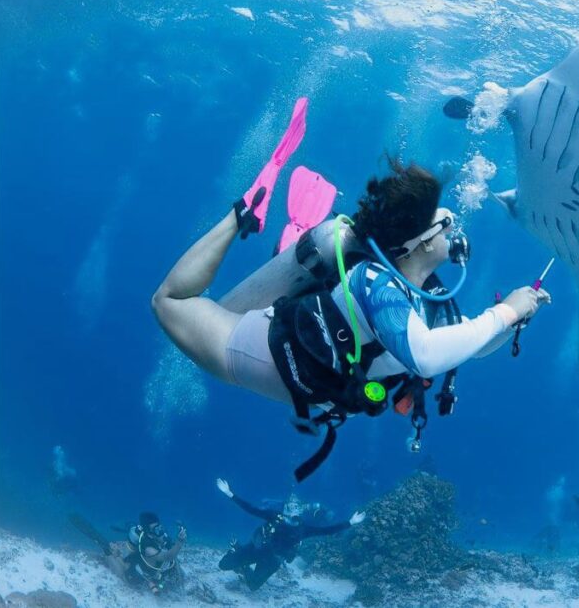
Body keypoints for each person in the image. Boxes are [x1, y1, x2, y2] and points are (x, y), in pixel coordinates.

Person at [151, 99, 551, 479]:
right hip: (246, 348)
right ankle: (241, 213)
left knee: (279, 277)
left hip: (306, 374)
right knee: (168, 301)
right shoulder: (374, 283)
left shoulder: (426, 299)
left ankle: (290, 243)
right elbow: (427, 356)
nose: (456, 233)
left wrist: (515, 321)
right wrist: (506, 312)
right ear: (422, 242)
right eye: (447, 225)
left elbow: (472, 345)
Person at [215, 478, 364, 590]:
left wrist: (350, 522)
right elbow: (252, 509)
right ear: (284, 508)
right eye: (289, 507)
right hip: (257, 549)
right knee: (223, 565)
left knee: (253, 586)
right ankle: (237, 550)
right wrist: (229, 493)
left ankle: (244, 567)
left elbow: (326, 531)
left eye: (295, 508)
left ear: (300, 510)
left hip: (273, 560)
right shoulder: (274, 516)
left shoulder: (303, 529)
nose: (292, 510)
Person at [69, 511, 186, 594]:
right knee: (112, 557)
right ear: (149, 531)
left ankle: (115, 547)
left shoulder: (156, 536)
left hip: (137, 560)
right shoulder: (148, 547)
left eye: (159, 527)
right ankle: (101, 542)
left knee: (120, 552)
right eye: (155, 528)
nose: (159, 531)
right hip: (133, 574)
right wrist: (179, 542)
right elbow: (168, 556)